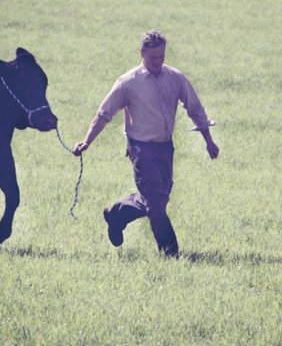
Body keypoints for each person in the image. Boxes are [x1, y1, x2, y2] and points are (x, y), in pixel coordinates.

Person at [72, 30, 219, 258]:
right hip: (141, 149)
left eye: (161, 56)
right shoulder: (128, 83)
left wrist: (209, 141)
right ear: (142, 53)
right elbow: (104, 113)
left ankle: (117, 214)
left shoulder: (175, 78)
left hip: (165, 148)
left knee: (157, 199)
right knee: (156, 207)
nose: (158, 62)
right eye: (153, 58)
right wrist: (87, 141)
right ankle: (171, 256)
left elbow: (195, 108)